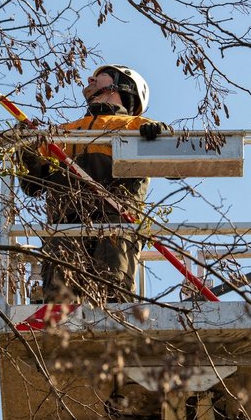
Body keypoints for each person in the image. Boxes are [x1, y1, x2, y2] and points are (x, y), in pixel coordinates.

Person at [17, 64, 166, 305]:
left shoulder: (135, 126)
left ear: (123, 85)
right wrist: (25, 148)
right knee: (60, 303)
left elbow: (175, 166)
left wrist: (159, 135)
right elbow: (32, 185)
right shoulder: (64, 132)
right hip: (65, 228)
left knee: (113, 299)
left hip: (116, 224)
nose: (90, 78)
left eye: (99, 76)